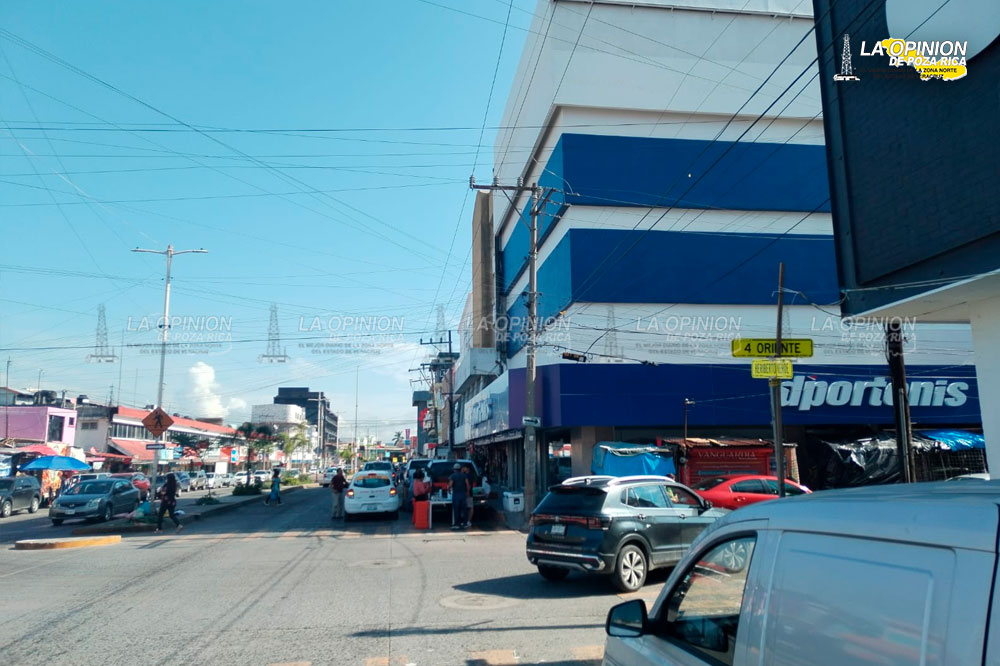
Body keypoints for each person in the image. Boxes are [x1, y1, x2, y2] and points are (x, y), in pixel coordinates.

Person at [448, 463, 470, 530]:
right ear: (460, 469)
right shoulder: (464, 476)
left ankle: (457, 524)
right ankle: (465, 523)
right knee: (464, 510)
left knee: (456, 510)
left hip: (456, 495)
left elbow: (450, 485)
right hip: (463, 494)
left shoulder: (453, 476)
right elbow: (467, 484)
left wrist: (448, 489)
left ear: (454, 469)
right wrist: (467, 492)